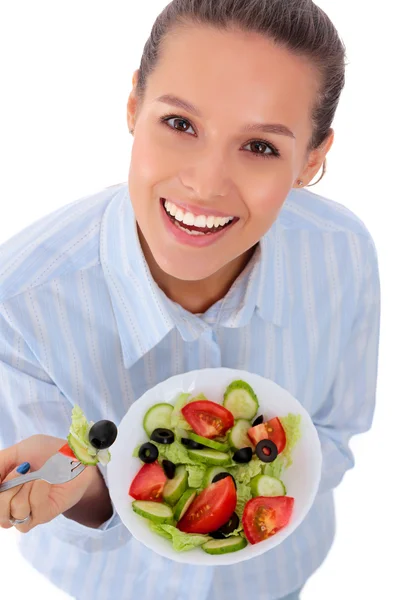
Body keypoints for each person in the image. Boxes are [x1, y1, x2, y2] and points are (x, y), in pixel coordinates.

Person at [0, 0, 380, 599]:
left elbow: (336, 430)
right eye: (180, 124)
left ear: (311, 159)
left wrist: (252, 485)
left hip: (276, 580)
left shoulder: (343, 252)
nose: (205, 184)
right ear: (133, 106)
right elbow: (69, 500)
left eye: (260, 146)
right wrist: (74, 484)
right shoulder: (20, 299)